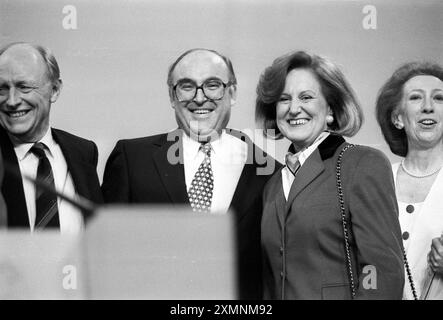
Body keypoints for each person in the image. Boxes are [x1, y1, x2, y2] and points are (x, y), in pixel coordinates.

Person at [101, 48, 281, 299]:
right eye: (187, 86)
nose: (199, 98)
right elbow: (106, 258)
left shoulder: (270, 172)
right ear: (172, 96)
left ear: (232, 93)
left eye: (212, 85)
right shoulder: (132, 159)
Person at [256, 50, 405, 299]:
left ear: (331, 110)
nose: (294, 109)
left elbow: (381, 271)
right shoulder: (272, 185)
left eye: (306, 97)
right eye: (284, 99)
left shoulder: (362, 164)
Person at [0, 42, 103, 234]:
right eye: (2, 89)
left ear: (54, 90)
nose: (12, 100)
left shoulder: (83, 152)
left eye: (24, 87)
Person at [376, 61, 443, 299]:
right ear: (397, 118)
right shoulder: (376, 180)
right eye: (415, 98)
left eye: (439, 98)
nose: (428, 107)